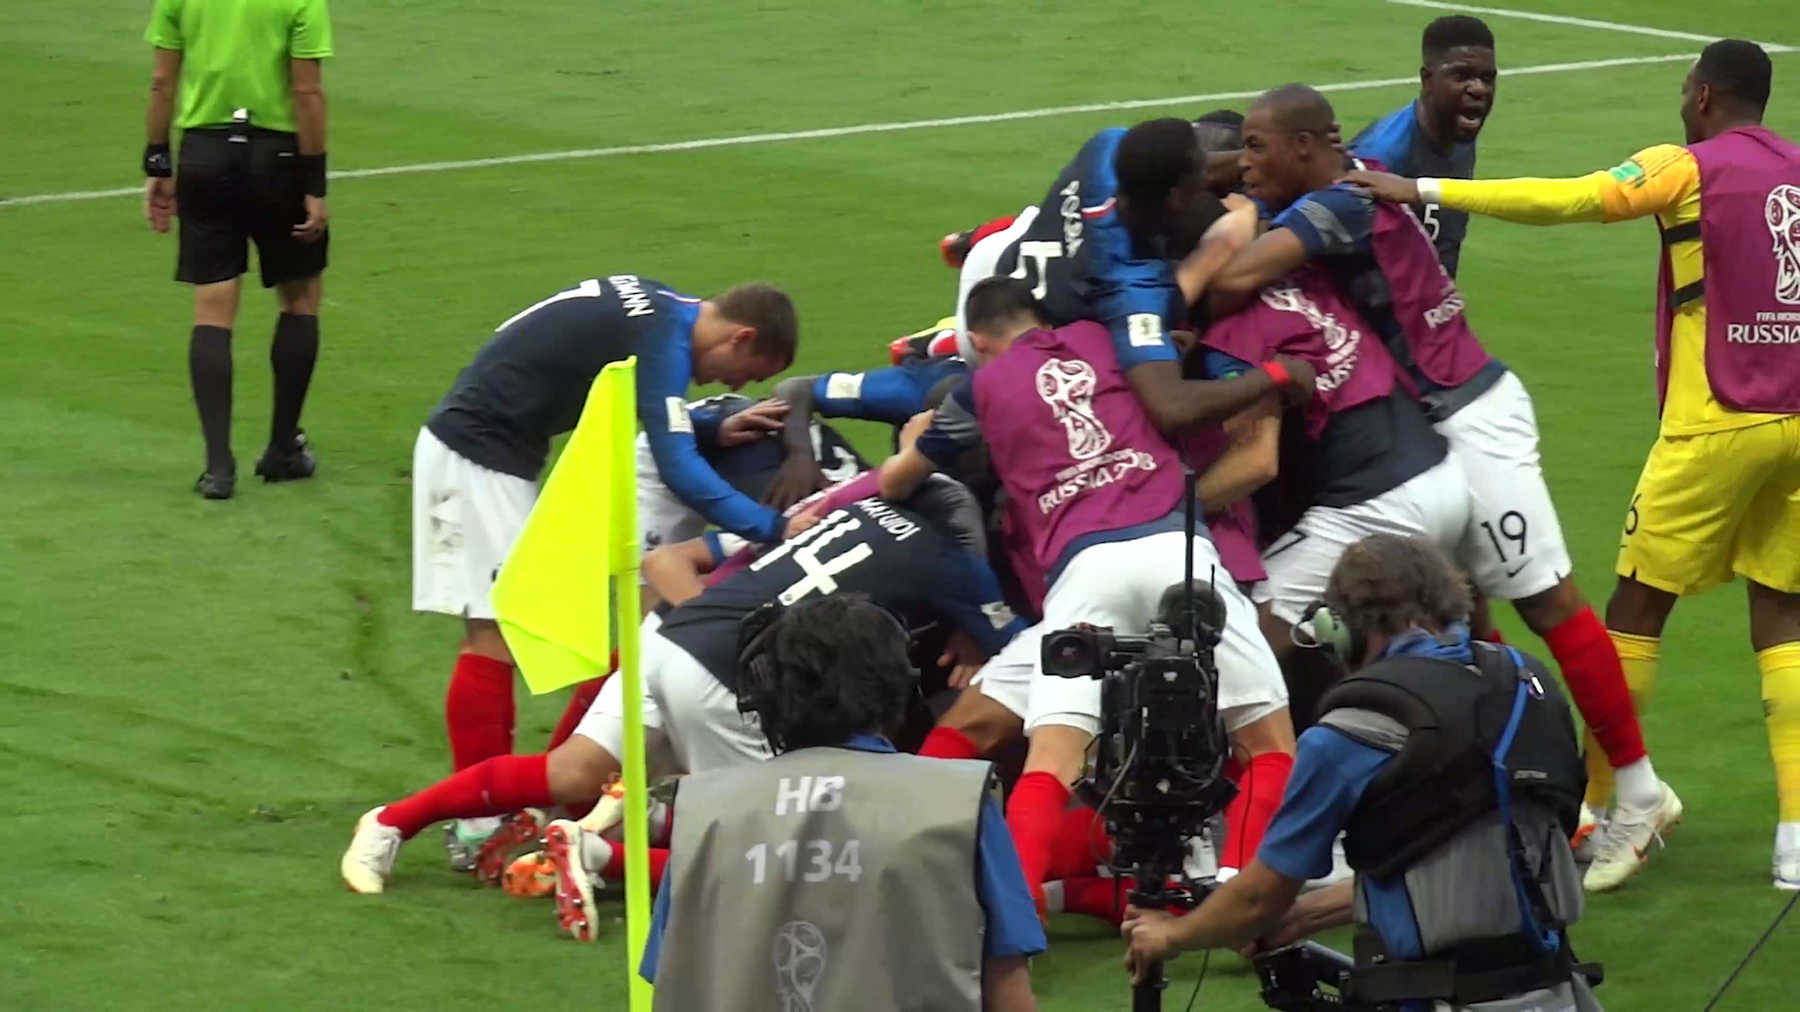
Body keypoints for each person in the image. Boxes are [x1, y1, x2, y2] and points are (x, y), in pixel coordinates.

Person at [1343, 38, 1800, 889]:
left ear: (1702, 96)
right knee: (1784, 611)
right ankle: (1796, 839)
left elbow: (1576, 198)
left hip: (1717, 422)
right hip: (1798, 423)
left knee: (1634, 605)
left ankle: (1609, 809)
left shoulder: (1687, 166)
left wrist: (1423, 189)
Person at [1210, 84, 1676, 892]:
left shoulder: (1337, 204)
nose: (1247, 164)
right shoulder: (1342, 176)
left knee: (1549, 603)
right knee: (1466, 624)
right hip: (1430, 434)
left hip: (1472, 415)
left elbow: (1231, 281)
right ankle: (1552, 803)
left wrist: (1217, 227)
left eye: (1258, 148)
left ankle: (1638, 792)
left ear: (1308, 145)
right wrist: (1229, 176)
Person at [343, 481, 1023, 898]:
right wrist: (976, 632)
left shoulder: (845, 507)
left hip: (671, 635)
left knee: (570, 770)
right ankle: (602, 853)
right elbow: (1015, 639)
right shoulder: (956, 564)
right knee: (770, 854)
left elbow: (711, 552)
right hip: (736, 675)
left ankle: (389, 824)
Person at [882, 277, 1297, 898]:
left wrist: (914, 444)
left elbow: (897, 482)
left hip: (1084, 573)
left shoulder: (976, 391)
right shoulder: (1106, 340)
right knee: (1268, 744)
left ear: (976, 342)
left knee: (1040, 756)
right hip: (1175, 552)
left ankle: (987, 909)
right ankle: (1232, 892)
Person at [412, 275, 805, 860]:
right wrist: (774, 530)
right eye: (743, 370)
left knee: (509, 629)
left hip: (494, 452)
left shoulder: (663, 311)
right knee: (494, 633)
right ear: (741, 335)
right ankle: (478, 822)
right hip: (474, 456)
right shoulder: (662, 335)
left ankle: (500, 806)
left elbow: (643, 405)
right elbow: (675, 466)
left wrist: (706, 426)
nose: (732, 384)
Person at [1122, 534, 1600, 1012]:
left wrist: (1171, 936)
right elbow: (1477, 858)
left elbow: (1257, 902)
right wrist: (1302, 917)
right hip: (1560, 996)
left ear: (1342, 629)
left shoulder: (1351, 732)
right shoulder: (1528, 686)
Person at [639, 594, 1043, 1012]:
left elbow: (673, 978)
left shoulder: (704, 809)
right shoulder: (960, 801)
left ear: (763, 694)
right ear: (897, 684)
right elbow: (1007, 986)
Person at [143, 0, 334, 499]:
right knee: (300, 296)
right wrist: (314, 183)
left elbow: (163, 81)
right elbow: (307, 90)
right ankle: (281, 450)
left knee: (213, 306)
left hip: (204, 156)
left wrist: (158, 162)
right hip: (279, 157)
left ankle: (218, 467)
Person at [1348, 15, 1497, 277]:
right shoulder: (1380, 158)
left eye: (1487, 78)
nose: (1479, 89)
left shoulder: (1459, 134)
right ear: (1428, 80)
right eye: (1462, 76)